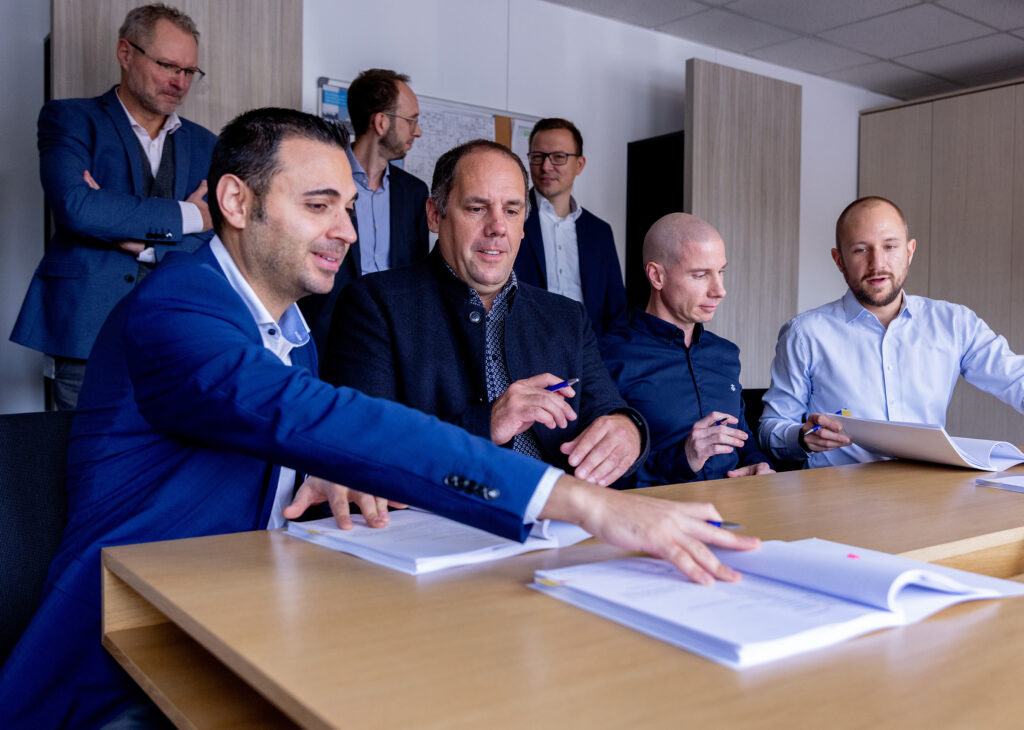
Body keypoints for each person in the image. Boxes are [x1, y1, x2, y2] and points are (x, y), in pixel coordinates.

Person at [0, 109, 758, 728]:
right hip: (122, 662)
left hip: (242, 617)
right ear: (236, 203)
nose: (348, 233)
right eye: (318, 205)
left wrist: (311, 470)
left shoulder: (284, 329)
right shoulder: (176, 309)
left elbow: (269, 436)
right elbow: (324, 416)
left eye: (349, 208)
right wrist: (585, 503)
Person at [325, 139, 647, 487]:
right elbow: (364, 445)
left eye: (511, 211)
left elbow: (608, 408)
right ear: (435, 215)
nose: (497, 227)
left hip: (558, 521)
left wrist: (630, 429)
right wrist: (486, 424)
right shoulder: (374, 304)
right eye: (477, 208)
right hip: (437, 522)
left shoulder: (567, 317)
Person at [9, 3, 216, 410]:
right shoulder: (69, 119)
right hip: (84, 326)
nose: (180, 82)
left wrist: (149, 247)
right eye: (167, 65)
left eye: (189, 72)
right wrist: (188, 215)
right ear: (126, 53)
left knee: (157, 456)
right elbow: (77, 207)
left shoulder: (207, 143)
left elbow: (219, 235)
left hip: (176, 326)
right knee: (72, 455)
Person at [760, 195, 1024, 467]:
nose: (878, 264)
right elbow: (771, 429)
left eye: (889, 247)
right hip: (837, 496)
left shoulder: (954, 323)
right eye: (861, 250)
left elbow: (1015, 380)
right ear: (839, 260)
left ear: (909, 252)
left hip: (928, 490)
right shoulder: (804, 334)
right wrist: (801, 438)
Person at [602, 213, 774, 487]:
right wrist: (684, 457)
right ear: (657, 276)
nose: (720, 290)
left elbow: (742, 439)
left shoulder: (726, 355)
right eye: (701, 275)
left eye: (721, 272)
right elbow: (600, 477)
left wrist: (757, 463)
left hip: (738, 510)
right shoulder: (609, 357)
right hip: (657, 519)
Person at [299, 68, 429, 354]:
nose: (417, 131)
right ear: (381, 122)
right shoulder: (319, 181)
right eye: (411, 121)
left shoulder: (415, 193)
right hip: (325, 338)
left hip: (395, 341)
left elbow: (419, 274)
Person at [514, 118, 626, 337]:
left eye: (558, 157)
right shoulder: (512, 219)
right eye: (538, 157)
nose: (546, 166)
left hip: (589, 355)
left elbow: (616, 312)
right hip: (528, 350)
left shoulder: (600, 232)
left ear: (579, 164)